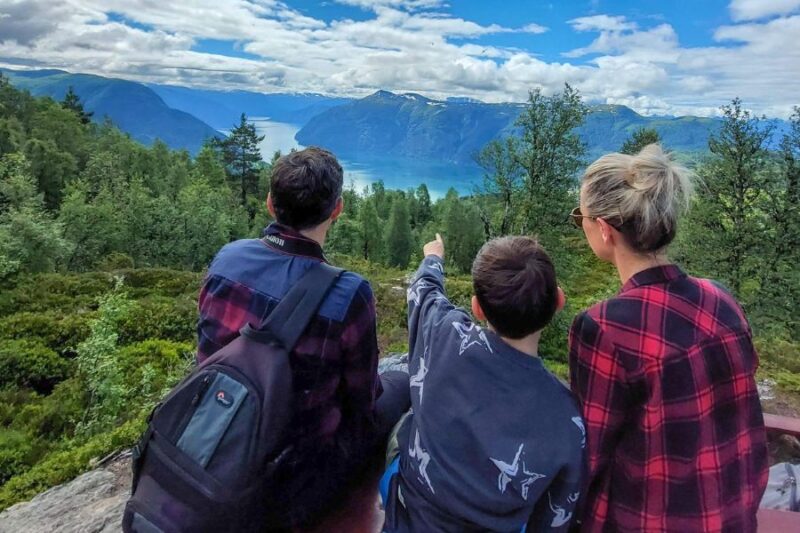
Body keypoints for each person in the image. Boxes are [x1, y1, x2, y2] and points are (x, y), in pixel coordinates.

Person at [196, 147, 409, 528]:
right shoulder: (348, 293)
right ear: (337, 209)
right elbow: (362, 402)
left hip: (220, 436)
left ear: (269, 203)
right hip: (296, 475)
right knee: (403, 384)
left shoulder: (227, 259)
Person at [569, 144, 768, 532]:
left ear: (605, 229)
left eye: (582, 217)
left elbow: (589, 453)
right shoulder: (721, 299)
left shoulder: (604, 327)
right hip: (736, 517)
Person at [382, 234, 586, 532]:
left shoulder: (446, 334)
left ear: (477, 308)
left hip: (409, 515)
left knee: (405, 417)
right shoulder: (568, 420)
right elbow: (555, 515)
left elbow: (423, 291)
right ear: (559, 301)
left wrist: (433, 257)